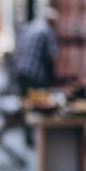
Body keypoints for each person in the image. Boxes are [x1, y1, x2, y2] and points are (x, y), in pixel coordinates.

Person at [13, 7, 59, 146]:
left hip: (21, 70)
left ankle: (28, 137)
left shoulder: (30, 27)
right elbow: (53, 55)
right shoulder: (47, 31)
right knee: (39, 104)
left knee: (27, 104)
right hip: (34, 73)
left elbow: (18, 48)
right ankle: (41, 136)